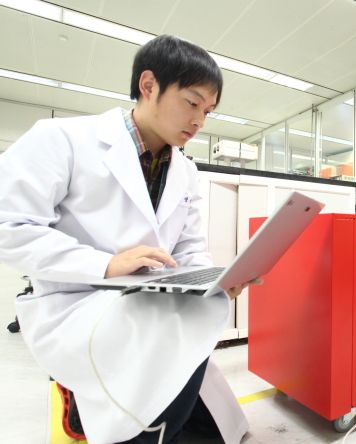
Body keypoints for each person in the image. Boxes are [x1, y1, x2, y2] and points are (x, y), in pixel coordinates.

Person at [0, 35, 261, 443]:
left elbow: (189, 250)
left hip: (153, 297)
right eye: (192, 103)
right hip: (78, 301)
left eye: (208, 111)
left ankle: (158, 427)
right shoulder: (61, 138)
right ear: (148, 85)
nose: (199, 121)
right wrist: (103, 264)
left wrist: (216, 281)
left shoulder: (185, 171)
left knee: (202, 313)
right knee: (148, 342)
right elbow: (9, 226)